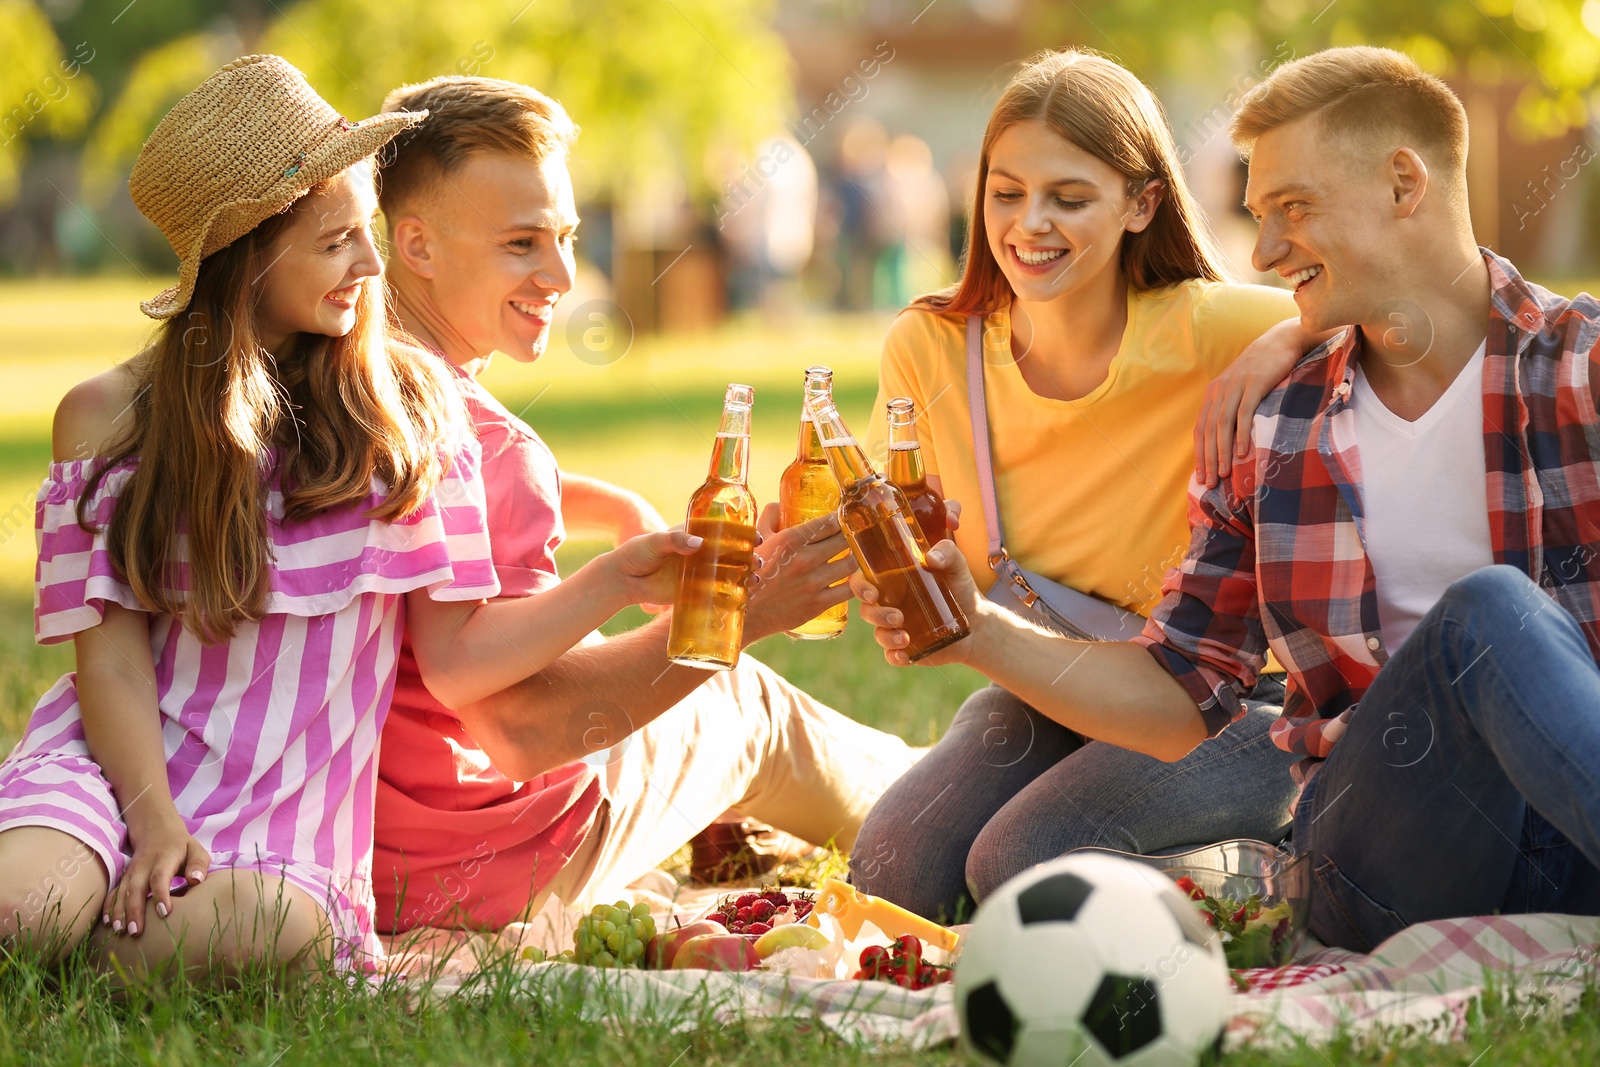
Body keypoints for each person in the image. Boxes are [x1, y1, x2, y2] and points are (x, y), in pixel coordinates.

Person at [857, 45, 1600, 949]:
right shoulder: (1278, 424)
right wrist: (975, 627)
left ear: (1405, 184)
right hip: (1388, 858)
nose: (1263, 251)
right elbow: (1181, 690)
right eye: (1257, 215)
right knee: (1482, 616)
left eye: (1294, 209)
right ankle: (1241, 876)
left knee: (1494, 615)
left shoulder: (1575, 368)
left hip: (1571, 840)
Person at [0, 56, 697, 980]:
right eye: (336, 242)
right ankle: (75, 922)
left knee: (280, 930)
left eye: (365, 232)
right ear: (245, 257)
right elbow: (115, 663)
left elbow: (460, 657)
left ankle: (94, 942)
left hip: (279, 833)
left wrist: (613, 575)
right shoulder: (106, 417)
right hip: (115, 773)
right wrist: (153, 821)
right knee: (23, 908)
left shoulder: (402, 412)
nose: (371, 264)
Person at [368, 76, 920, 935]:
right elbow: (519, 727)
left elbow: (437, 519)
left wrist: (604, 503)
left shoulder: (334, 384)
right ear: (418, 244)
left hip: (360, 844)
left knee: (621, 651)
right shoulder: (490, 443)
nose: (560, 274)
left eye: (567, 237)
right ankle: (954, 809)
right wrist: (743, 616)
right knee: (745, 704)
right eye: (522, 243)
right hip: (482, 870)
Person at [847, 49, 1329, 922]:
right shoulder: (931, 349)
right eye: (1006, 191)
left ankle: (1278, 868)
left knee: (1022, 861)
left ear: (1142, 203)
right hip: (1050, 685)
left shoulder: (1211, 330)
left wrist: (1287, 336)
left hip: (1226, 699)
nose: (1030, 224)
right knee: (892, 867)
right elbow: (906, 538)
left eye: (1069, 198)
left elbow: (1399, 298)